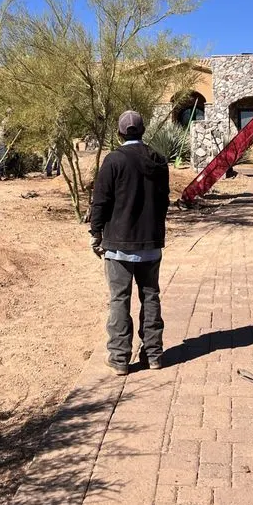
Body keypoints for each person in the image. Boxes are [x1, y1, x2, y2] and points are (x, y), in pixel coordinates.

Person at [89, 110, 170, 376]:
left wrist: (96, 232)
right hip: (150, 244)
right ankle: (154, 354)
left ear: (119, 132)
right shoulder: (158, 160)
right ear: (143, 131)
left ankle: (120, 358)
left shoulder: (114, 160)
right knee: (151, 296)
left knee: (119, 300)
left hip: (119, 246)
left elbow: (100, 200)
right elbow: (164, 200)